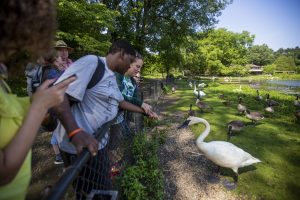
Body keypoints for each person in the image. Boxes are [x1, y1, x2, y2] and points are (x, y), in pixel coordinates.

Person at [52, 39, 158, 199]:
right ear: (121, 54)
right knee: (86, 193)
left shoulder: (111, 75)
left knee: (103, 191)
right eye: (130, 62)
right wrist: (74, 132)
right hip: (79, 150)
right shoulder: (91, 63)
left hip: (98, 145)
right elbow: (58, 96)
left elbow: (120, 101)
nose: (131, 68)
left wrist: (144, 111)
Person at [0, 1, 76, 199]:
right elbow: (3, 172)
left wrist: (35, 102)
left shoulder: (3, 81)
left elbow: (6, 107)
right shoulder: (47, 69)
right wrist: (39, 107)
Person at [113, 52, 155, 136]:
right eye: (137, 66)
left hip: (118, 120)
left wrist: (147, 112)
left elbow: (133, 102)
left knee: (114, 145)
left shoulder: (133, 82)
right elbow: (119, 96)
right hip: (105, 120)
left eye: (140, 68)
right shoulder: (116, 75)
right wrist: (141, 103)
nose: (139, 70)